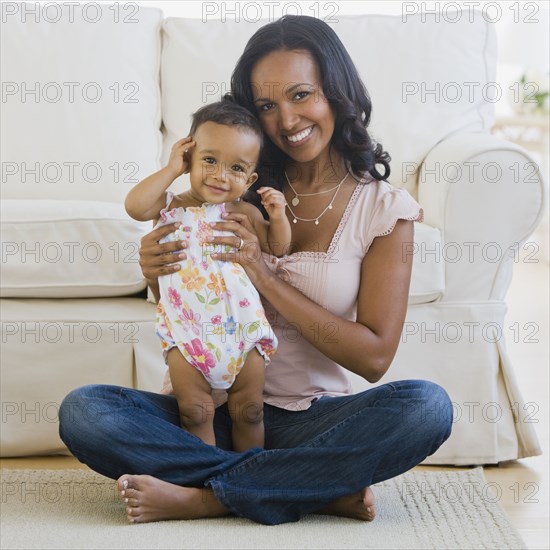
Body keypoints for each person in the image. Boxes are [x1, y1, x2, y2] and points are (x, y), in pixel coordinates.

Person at [59, 15, 452, 526]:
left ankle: (206, 496)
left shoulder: (384, 210)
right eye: (267, 105)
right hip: (207, 409)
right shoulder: (227, 185)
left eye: (301, 94)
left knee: (425, 407)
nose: (287, 120)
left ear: (336, 91)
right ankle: (306, 487)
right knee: (87, 412)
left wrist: (264, 273)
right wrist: (155, 272)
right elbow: (189, 297)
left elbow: (375, 358)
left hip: (311, 418)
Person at [124, 99, 291, 452]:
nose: (220, 176)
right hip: (187, 331)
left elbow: (277, 248)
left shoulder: (242, 210)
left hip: (241, 326)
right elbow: (135, 207)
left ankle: (250, 474)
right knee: (194, 412)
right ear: (189, 157)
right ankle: (207, 475)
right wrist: (171, 169)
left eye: (236, 168)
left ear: (250, 178)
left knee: (249, 411)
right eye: (210, 160)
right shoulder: (170, 205)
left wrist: (277, 217)